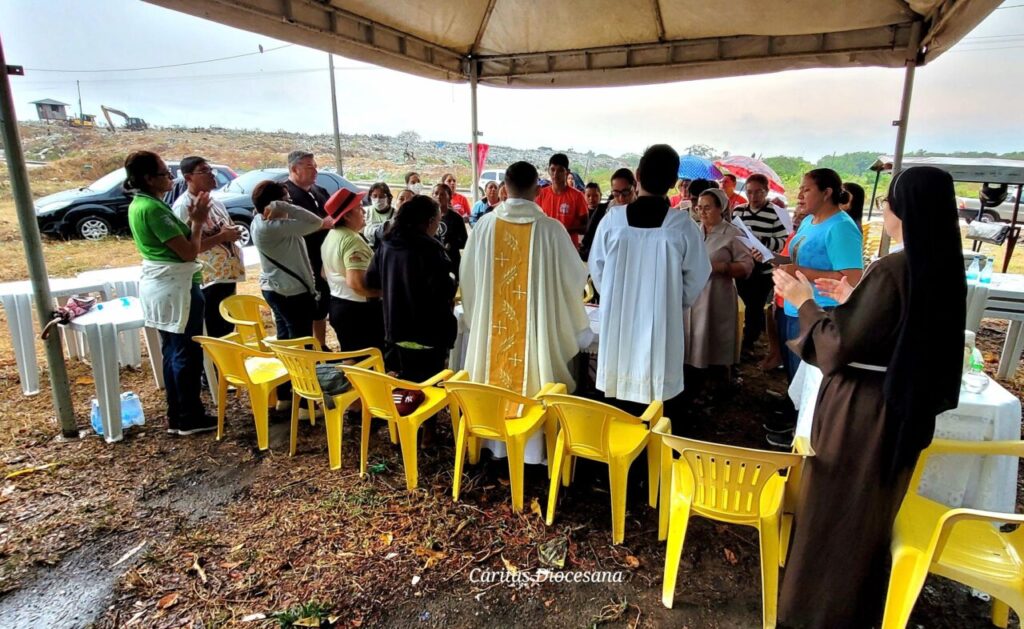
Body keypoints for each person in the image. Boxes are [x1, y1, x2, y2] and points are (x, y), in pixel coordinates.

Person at [774, 166, 966, 628]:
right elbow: (903, 326)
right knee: (869, 517)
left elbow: (838, 344)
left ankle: (817, 614)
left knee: (836, 516)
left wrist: (803, 300)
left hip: (864, 413)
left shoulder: (896, 267)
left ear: (903, 210)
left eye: (889, 202)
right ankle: (857, 607)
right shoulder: (942, 263)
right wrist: (858, 295)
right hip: (904, 408)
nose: (883, 209)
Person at [462, 161, 591, 461]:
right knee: (535, 371)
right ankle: (532, 451)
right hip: (534, 330)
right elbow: (574, 277)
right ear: (537, 188)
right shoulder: (551, 230)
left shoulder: (484, 226)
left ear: (505, 189)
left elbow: (469, 276)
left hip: (494, 329)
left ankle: (492, 441)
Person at [589, 145, 710, 417]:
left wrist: (613, 295)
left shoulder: (613, 222)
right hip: (662, 323)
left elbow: (597, 270)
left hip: (618, 321)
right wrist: (670, 299)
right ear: (673, 182)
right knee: (657, 405)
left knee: (617, 403)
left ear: (637, 175)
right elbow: (699, 274)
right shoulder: (682, 227)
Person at [125, 150, 214, 435]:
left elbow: (181, 241)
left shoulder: (145, 205)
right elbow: (189, 251)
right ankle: (189, 415)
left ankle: (177, 414)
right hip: (175, 287)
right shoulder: (151, 209)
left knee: (172, 350)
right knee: (186, 351)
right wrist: (198, 220)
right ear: (148, 179)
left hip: (165, 286)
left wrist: (192, 223)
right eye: (165, 173)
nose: (170, 177)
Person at [776, 168, 864, 382]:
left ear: (826, 193)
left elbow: (851, 278)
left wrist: (800, 272)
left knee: (809, 375)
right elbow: (799, 257)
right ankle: (793, 410)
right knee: (794, 370)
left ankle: (805, 414)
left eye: (806, 190)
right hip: (795, 305)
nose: (799, 196)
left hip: (821, 310)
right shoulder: (809, 221)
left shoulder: (841, 228)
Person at [366, 195, 457, 381]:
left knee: (400, 389)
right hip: (427, 335)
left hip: (394, 332)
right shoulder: (431, 250)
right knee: (426, 394)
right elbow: (444, 291)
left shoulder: (387, 244)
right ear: (430, 222)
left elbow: (371, 281)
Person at [170, 156, 245, 338]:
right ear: (188, 177)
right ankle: (216, 366)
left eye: (211, 170)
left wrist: (231, 232)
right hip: (208, 279)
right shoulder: (184, 206)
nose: (211, 175)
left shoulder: (215, 202)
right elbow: (187, 248)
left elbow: (225, 227)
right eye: (204, 171)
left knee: (227, 327)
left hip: (226, 275)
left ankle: (225, 365)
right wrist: (222, 236)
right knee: (215, 331)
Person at [251, 180, 333, 341]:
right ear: (275, 203)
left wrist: (281, 205)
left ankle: (287, 365)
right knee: (301, 340)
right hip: (290, 292)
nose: (290, 203)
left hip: (276, 287)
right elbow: (316, 222)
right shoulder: (273, 227)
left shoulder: (259, 221)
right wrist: (283, 206)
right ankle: (302, 366)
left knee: (285, 336)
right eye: (287, 200)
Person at [684, 188, 753, 373]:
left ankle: (717, 380)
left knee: (715, 337)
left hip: (717, 294)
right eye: (699, 208)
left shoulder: (733, 234)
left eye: (707, 208)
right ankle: (694, 377)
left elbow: (747, 266)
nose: (702, 212)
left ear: (720, 208)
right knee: (695, 335)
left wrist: (722, 267)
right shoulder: (694, 231)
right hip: (694, 295)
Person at [321, 189, 385, 353]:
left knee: (351, 356)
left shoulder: (331, 235)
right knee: (369, 360)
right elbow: (357, 284)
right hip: (357, 311)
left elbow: (323, 273)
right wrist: (384, 293)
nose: (364, 210)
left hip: (338, 303)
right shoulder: (352, 241)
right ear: (347, 216)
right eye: (358, 208)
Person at [733, 173, 789, 354]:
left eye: (758, 192)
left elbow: (782, 241)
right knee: (740, 301)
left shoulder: (775, 213)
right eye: (749, 192)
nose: (753, 197)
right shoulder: (738, 211)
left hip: (764, 267)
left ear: (766, 192)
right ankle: (739, 336)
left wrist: (761, 241)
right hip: (742, 265)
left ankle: (749, 340)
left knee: (755, 305)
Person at [283, 150, 332, 348]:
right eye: (309, 166)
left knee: (322, 305)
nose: (315, 170)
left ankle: (321, 344)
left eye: (315, 166)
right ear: (295, 169)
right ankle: (307, 350)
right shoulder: (285, 194)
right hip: (301, 260)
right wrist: (322, 224)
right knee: (306, 309)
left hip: (325, 256)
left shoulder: (319, 191)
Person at [580, 169, 635, 262]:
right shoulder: (603, 210)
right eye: (616, 194)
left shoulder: (642, 213)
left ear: (634, 186)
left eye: (625, 193)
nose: (621, 198)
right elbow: (588, 240)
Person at [536, 153, 589, 248]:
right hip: (546, 245)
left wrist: (563, 229)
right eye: (552, 169)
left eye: (560, 170)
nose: (555, 174)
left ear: (567, 172)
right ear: (548, 170)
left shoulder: (577, 196)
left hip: (568, 247)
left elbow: (585, 227)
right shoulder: (541, 194)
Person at [431, 183, 468, 280]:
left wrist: (452, 244)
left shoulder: (456, 218)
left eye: (442, 194)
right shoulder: (427, 217)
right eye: (435, 193)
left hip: (452, 261)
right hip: (432, 260)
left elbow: (464, 241)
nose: (438, 196)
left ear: (449, 197)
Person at [363, 182, 395, 248]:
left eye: (382, 196)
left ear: (388, 197)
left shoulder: (395, 214)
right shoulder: (365, 212)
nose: (378, 199)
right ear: (370, 197)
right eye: (374, 196)